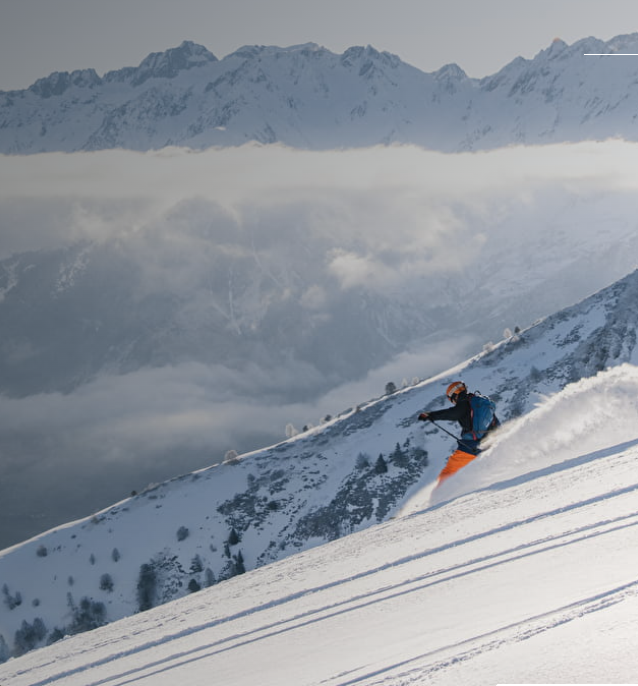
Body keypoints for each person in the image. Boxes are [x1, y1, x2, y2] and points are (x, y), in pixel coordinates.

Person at [418, 381, 499, 485]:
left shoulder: (464, 403)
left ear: (454, 395)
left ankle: (441, 497)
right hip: (490, 442)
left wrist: (430, 415)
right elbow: (495, 423)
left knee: (448, 473)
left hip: (470, 447)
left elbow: (451, 413)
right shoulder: (480, 403)